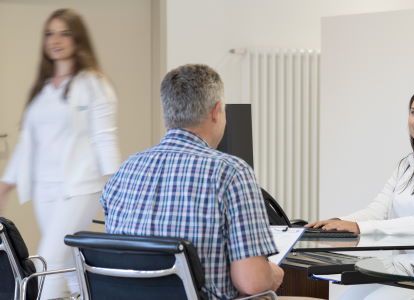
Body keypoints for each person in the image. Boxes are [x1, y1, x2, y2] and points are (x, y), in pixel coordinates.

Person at [101, 64, 284, 299]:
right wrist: (273, 273)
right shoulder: (230, 172)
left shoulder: (125, 171)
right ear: (216, 111)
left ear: (167, 112)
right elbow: (252, 283)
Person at [307, 82, 414, 299]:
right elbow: (378, 209)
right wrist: (338, 223)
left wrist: (357, 226)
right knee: (344, 298)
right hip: (404, 266)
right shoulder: (407, 164)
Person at [0, 8, 121, 299]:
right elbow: (27, 143)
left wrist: (114, 185)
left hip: (80, 187)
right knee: (69, 268)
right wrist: (5, 185)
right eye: (50, 33)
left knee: (50, 261)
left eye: (65, 33)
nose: (56, 40)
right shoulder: (42, 90)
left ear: (78, 39)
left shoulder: (93, 83)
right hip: (45, 191)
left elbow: (104, 137)